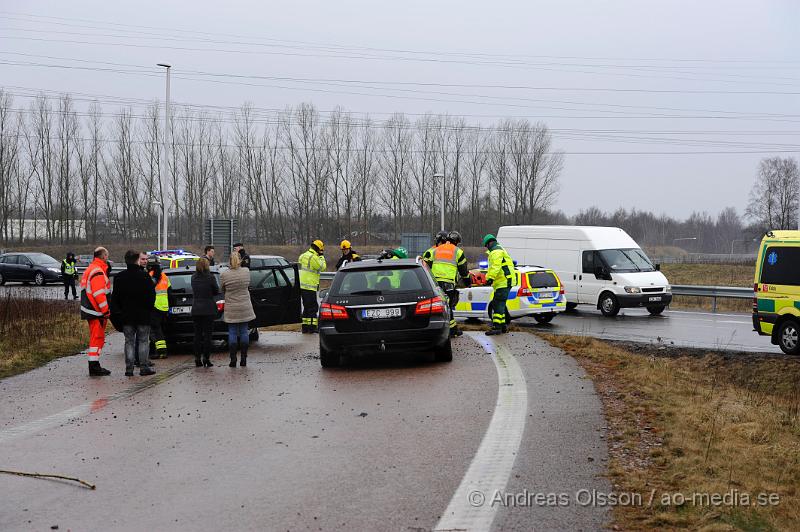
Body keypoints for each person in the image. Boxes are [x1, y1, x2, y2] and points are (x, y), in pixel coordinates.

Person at [110, 251, 157, 377]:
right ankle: (143, 367)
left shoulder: (119, 277)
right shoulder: (145, 276)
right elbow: (152, 296)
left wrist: (119, 312)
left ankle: (129, 368)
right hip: (143, 315)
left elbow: (115, 298)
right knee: (143, 341)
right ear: (137, 260)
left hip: (127, 316)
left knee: (129, 341)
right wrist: (148, 310)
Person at [80, 247, 112, 376]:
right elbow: (99, 294)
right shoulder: (97, 271)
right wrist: (106, 310)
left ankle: (94, 364)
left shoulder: (91, 269)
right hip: (96, 311)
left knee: (97, 338)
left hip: (91, 310)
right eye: (107, 255)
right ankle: (94, 366)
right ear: (103, 256)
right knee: (97, 338)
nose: (107, 258)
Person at [220, 252, 256, 367]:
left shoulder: (225, 274)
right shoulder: (246, 272)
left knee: (232, 332)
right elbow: (248, 285)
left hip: (231, 307)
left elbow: (222, 289)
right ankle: (244, 358)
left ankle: (233, 359)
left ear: (229, 261)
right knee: (244, 331)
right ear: (240, 260)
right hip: (244, 305)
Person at [437, 231, 471, 337]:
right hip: (448, 283)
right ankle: (452, 330)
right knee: (448, 306)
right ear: (456, 241)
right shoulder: (458, 252)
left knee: (439, 306)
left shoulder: (436, 250)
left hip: (434, 283)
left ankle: (446, 328)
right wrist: (468, 282)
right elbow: (464, 271)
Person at [482, 234, 515, 336]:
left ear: (488, 243)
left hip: (503, 282)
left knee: (498, 303)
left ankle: (497, 327)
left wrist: (489, 278)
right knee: (500, 303)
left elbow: (495, 267)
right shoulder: (500, 250)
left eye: (486, 245)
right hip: (504, 281)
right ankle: (503, 326)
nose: (486, 248)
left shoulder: (496, 251)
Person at [191, 258, 219, 367]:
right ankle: (206, 358)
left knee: (197, 335)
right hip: (208, 309)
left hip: (196, 309)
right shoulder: (210, 277)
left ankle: (197, 358)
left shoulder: (193, 277)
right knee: (208, 336)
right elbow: (216, 291)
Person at [298, 239, 326, 333]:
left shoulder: (303, 255)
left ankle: (305, 327)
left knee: (306, 307)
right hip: (310, 285)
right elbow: (322, 267)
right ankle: (312, 327)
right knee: (313, 307)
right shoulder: (314, 257)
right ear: (318, 248)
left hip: (302, 285)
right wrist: (321, 256)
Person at [148, 259, 171, 359]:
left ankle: (161, 351)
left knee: (155, 330)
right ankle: (157, 350)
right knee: (159, 329)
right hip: (164, 306)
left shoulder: (150, 276)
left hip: (155, 306)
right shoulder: (164, 276)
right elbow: (170, 291)